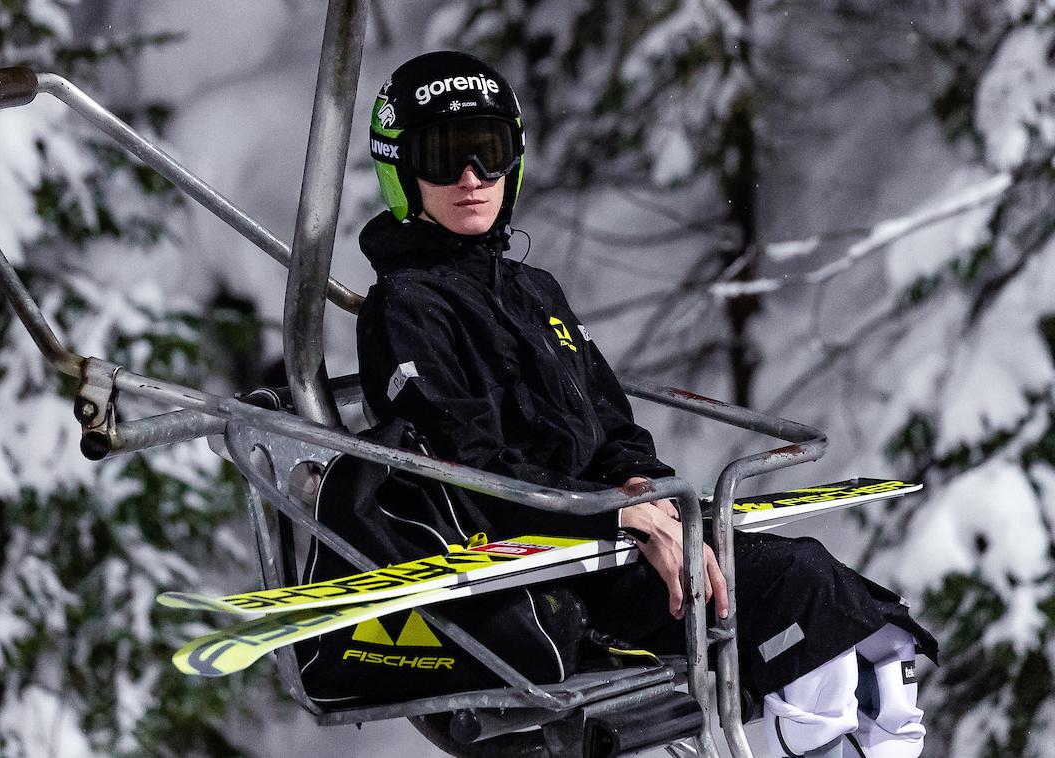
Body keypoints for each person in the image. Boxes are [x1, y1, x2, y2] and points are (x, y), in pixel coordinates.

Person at [353, 50, 937, 758]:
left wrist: (636, 482)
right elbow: (462, 468)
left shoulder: (533, 292)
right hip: (542, 569)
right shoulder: (407, 308)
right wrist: (614, 510)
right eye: (444, 157)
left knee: (873, 630)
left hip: (613, 540)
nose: (472, 178)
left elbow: (608, 421)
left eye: (490, 152)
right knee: (803, 589)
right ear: (401, 171)